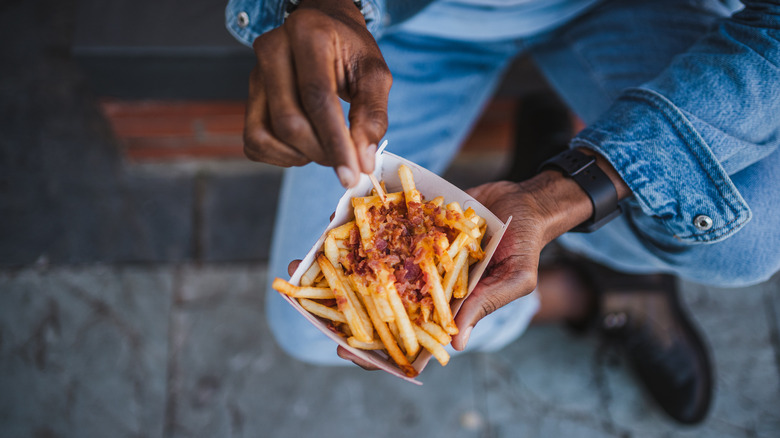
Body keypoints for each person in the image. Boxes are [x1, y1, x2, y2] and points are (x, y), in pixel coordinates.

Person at [225, 0, 780, 424]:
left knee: (751, 242)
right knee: (308, 334)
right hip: (408, 25)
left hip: (623, 9)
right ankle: (587, 288)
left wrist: (565, 193)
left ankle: (579, 207)